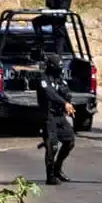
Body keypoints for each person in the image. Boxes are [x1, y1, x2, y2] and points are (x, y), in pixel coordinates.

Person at [37, 54, 77, 185]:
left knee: (70, 141)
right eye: (57, 68)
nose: (60, 71)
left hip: (60, 116)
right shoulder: (43, 79)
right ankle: (50, 176)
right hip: (49, 117)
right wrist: (63, 103)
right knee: (52, 147)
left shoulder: (59, 78)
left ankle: (58, 168)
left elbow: (66, 92)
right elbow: (50, 94)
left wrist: (68, 104)